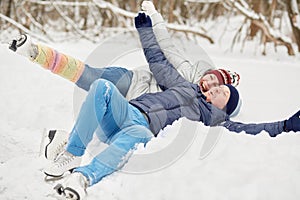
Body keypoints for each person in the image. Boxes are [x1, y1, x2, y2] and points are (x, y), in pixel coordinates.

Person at [35, 13, 299, 199]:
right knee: (102, 88)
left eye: (223, 94)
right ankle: (71, 153)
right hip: (128, 111)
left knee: (137, 134)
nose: (217, 89)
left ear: (225, 108)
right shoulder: (185, 85)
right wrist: (145, 30)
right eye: (220, 87)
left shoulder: (215, 121)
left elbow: (251, 129)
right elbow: (159, 62)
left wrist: (286, 125)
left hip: (140, 130)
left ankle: (82, 179)